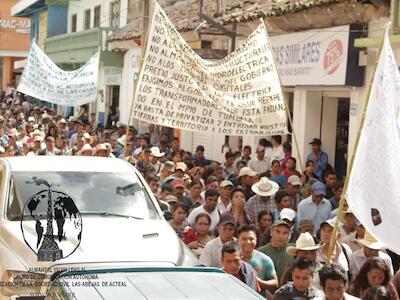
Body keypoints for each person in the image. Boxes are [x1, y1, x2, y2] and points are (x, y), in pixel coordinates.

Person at [238, 224, 278, 295]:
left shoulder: (265, 260)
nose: (248, 242)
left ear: (256, 240)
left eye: (251, 239)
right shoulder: (232, 258)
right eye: (244, 239)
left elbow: (275, 283)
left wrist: (257, 282)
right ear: (238, 240)